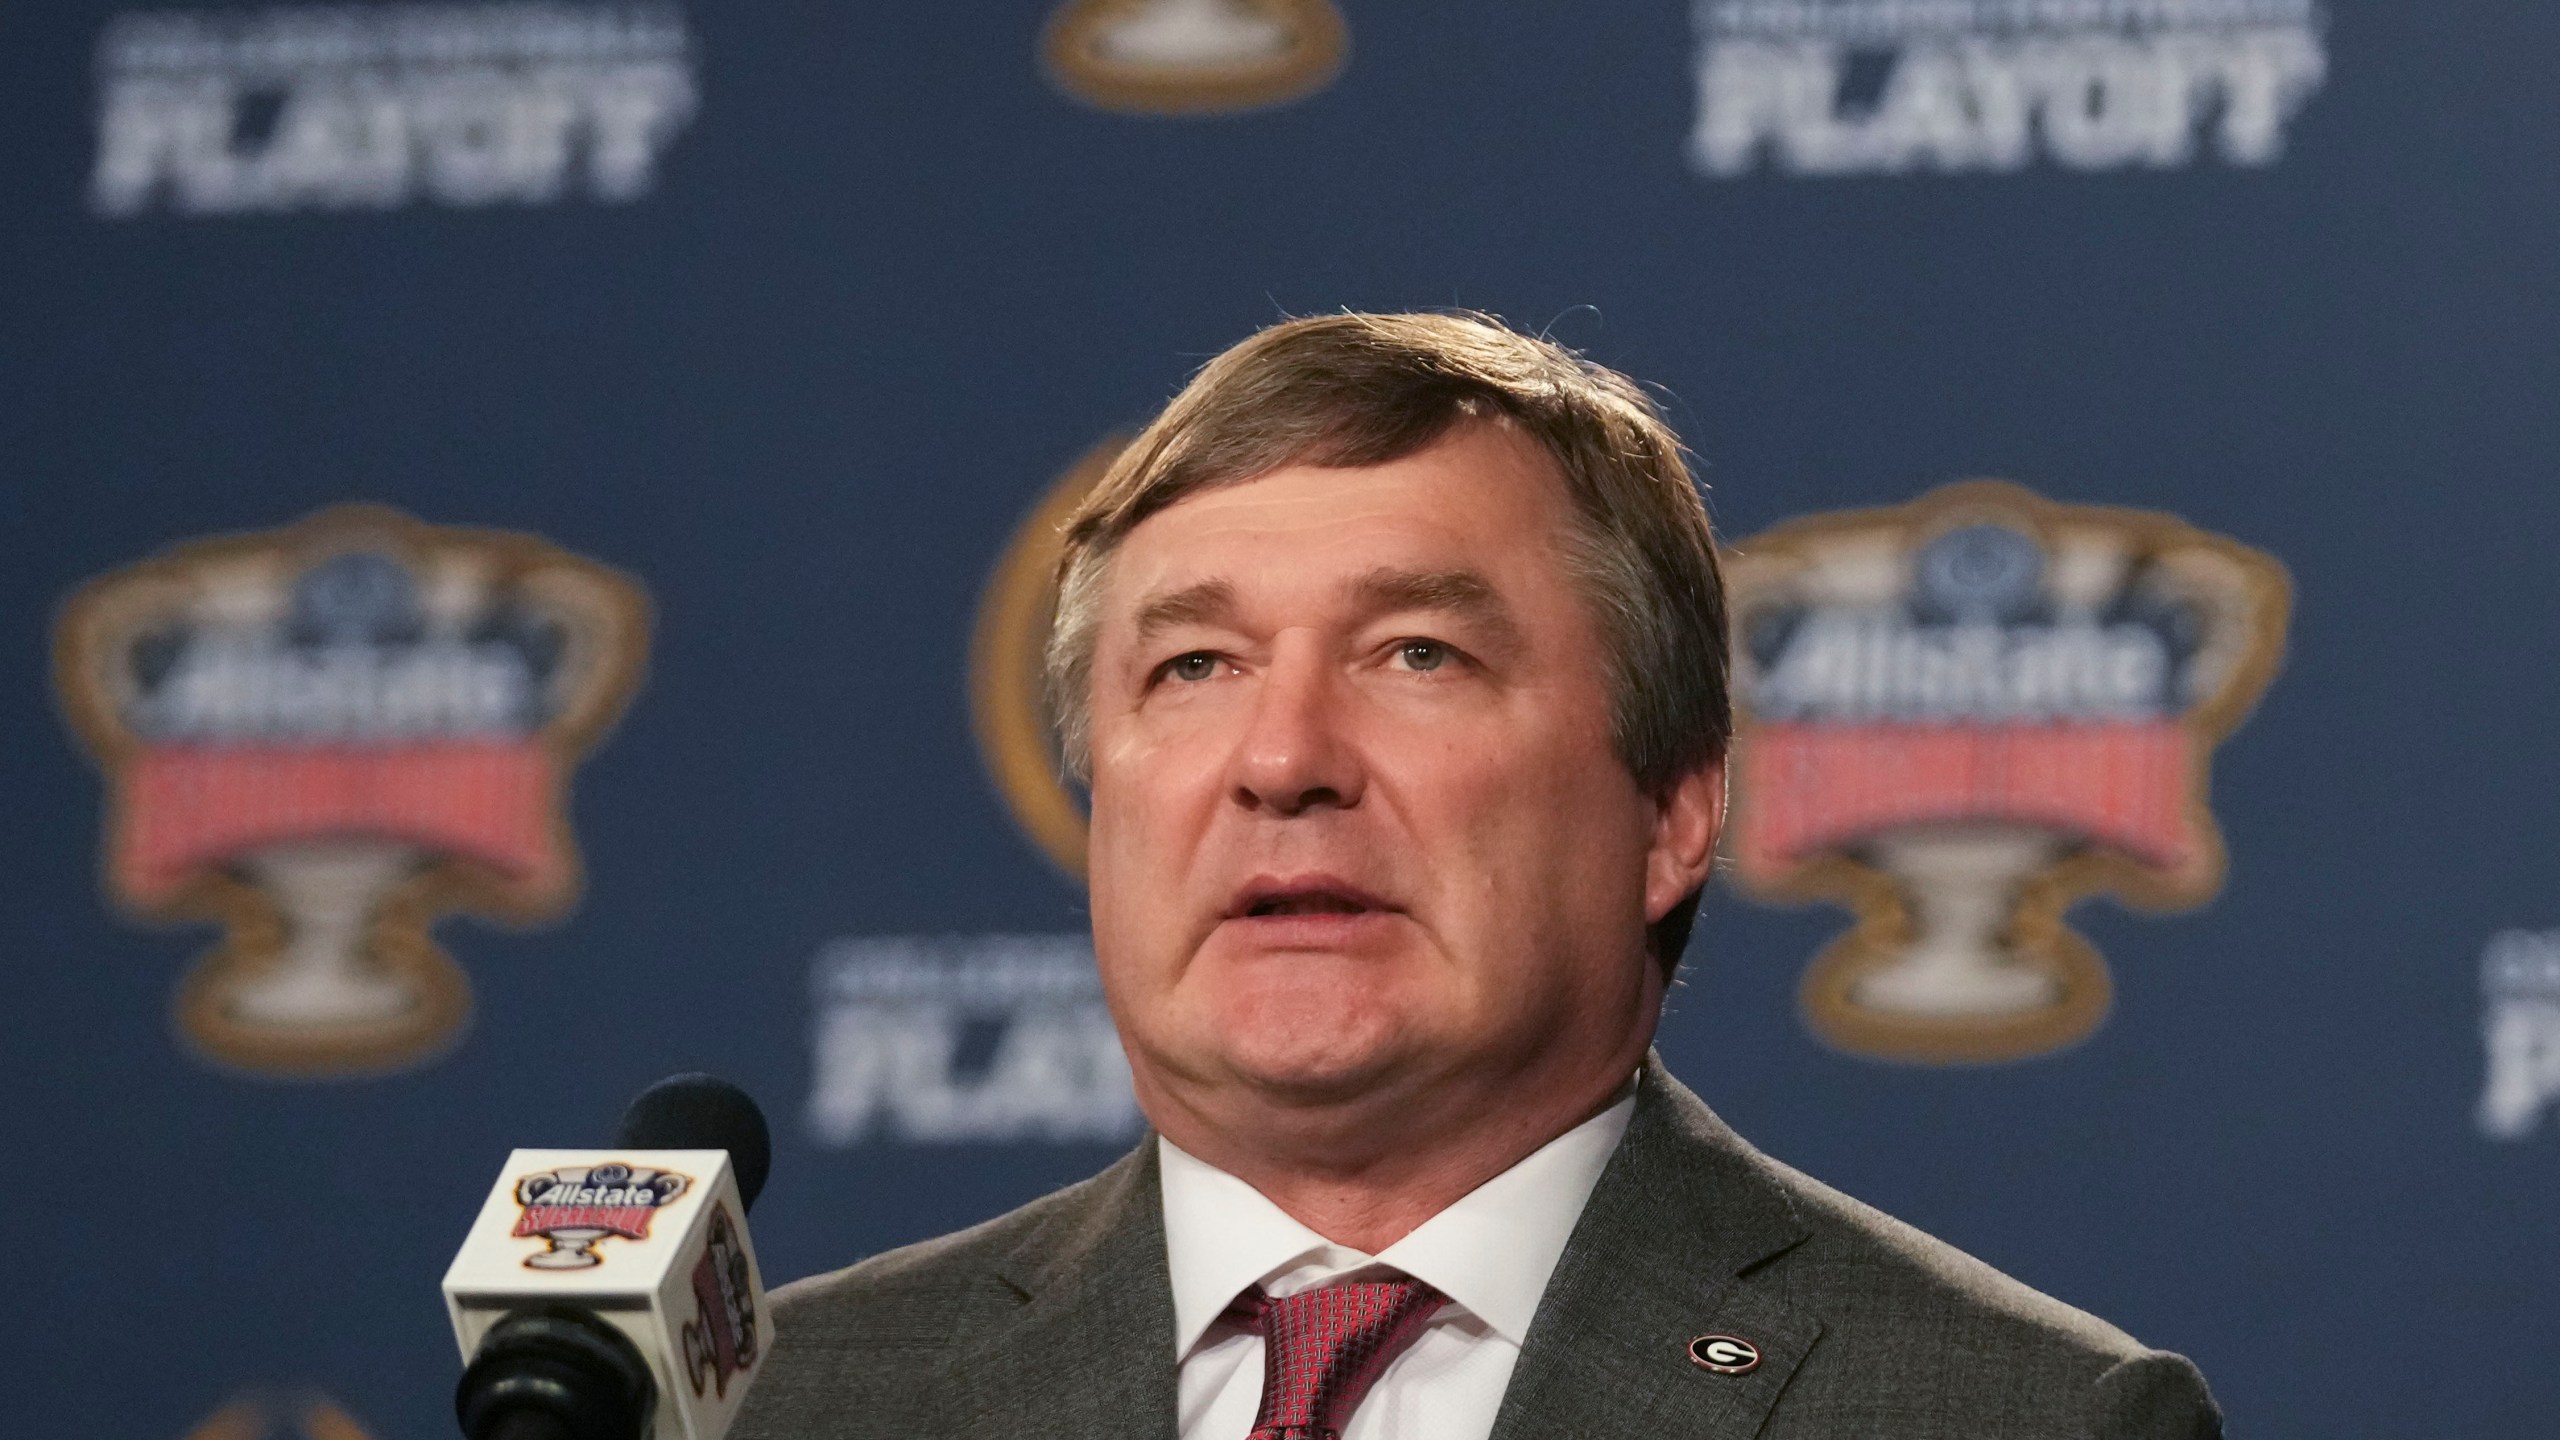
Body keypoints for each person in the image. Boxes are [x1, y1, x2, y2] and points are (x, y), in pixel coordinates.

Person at [734, 312, 2221, 1439]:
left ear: (1672, 813)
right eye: (1195, 665)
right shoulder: (776, 1406)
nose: (1283, 757)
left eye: (1417, 655)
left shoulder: (2015, 1416)